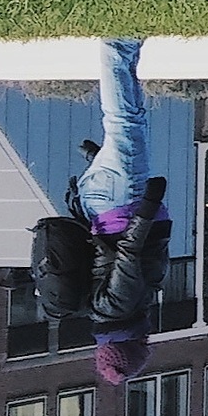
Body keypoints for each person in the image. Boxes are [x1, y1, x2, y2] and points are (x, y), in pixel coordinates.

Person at [28, 38, 173, 385]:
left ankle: (117, 44)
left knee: (125, 121)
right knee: (127, 122)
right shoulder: (101, 308)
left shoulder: (121, 307)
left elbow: (127, 254)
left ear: (133, 345)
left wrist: (148, 209)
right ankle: (128, 47)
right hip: (104, 201)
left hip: (123, 201)